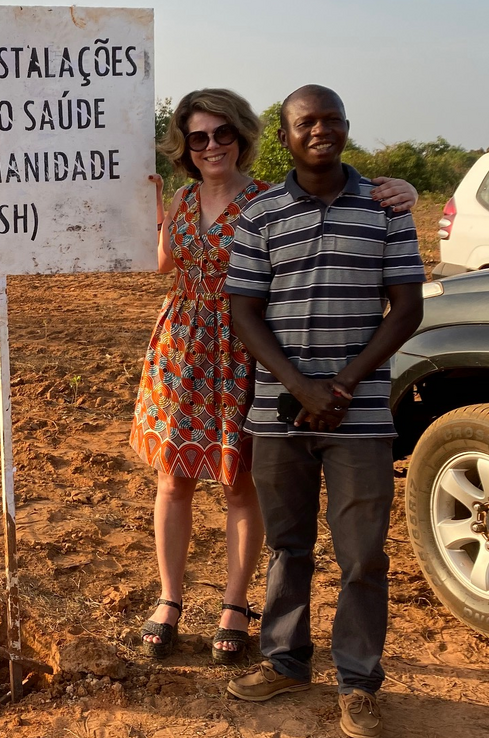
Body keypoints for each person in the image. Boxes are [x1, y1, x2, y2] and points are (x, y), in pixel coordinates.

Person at [130, 89, 417, 667]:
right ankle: (170, 599)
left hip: (249, 352)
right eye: (198, 137)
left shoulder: (268, 201)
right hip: (181, 349)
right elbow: (165, 261)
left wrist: (403, 190)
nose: (212, 146)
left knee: (242, 484)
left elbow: (337, 203)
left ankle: (235, 607)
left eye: (223, 134)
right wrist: (154, 206)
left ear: (242, 136)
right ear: (185, 147)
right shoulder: (184, 200)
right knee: (172, 479)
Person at [223, 85, 425, 738]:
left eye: (331, 119)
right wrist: (300, 385)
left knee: (363, 551)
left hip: (360, 415)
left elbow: (408, 306)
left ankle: (358, 682)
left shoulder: (386, 208)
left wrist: (340, 383)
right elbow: (243, 312)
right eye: (306, 121)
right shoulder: (259, 214)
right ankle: (285, 657)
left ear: (344, 128)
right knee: (288, 544)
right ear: (285, 136)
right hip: (280, 412)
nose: (320, 130)